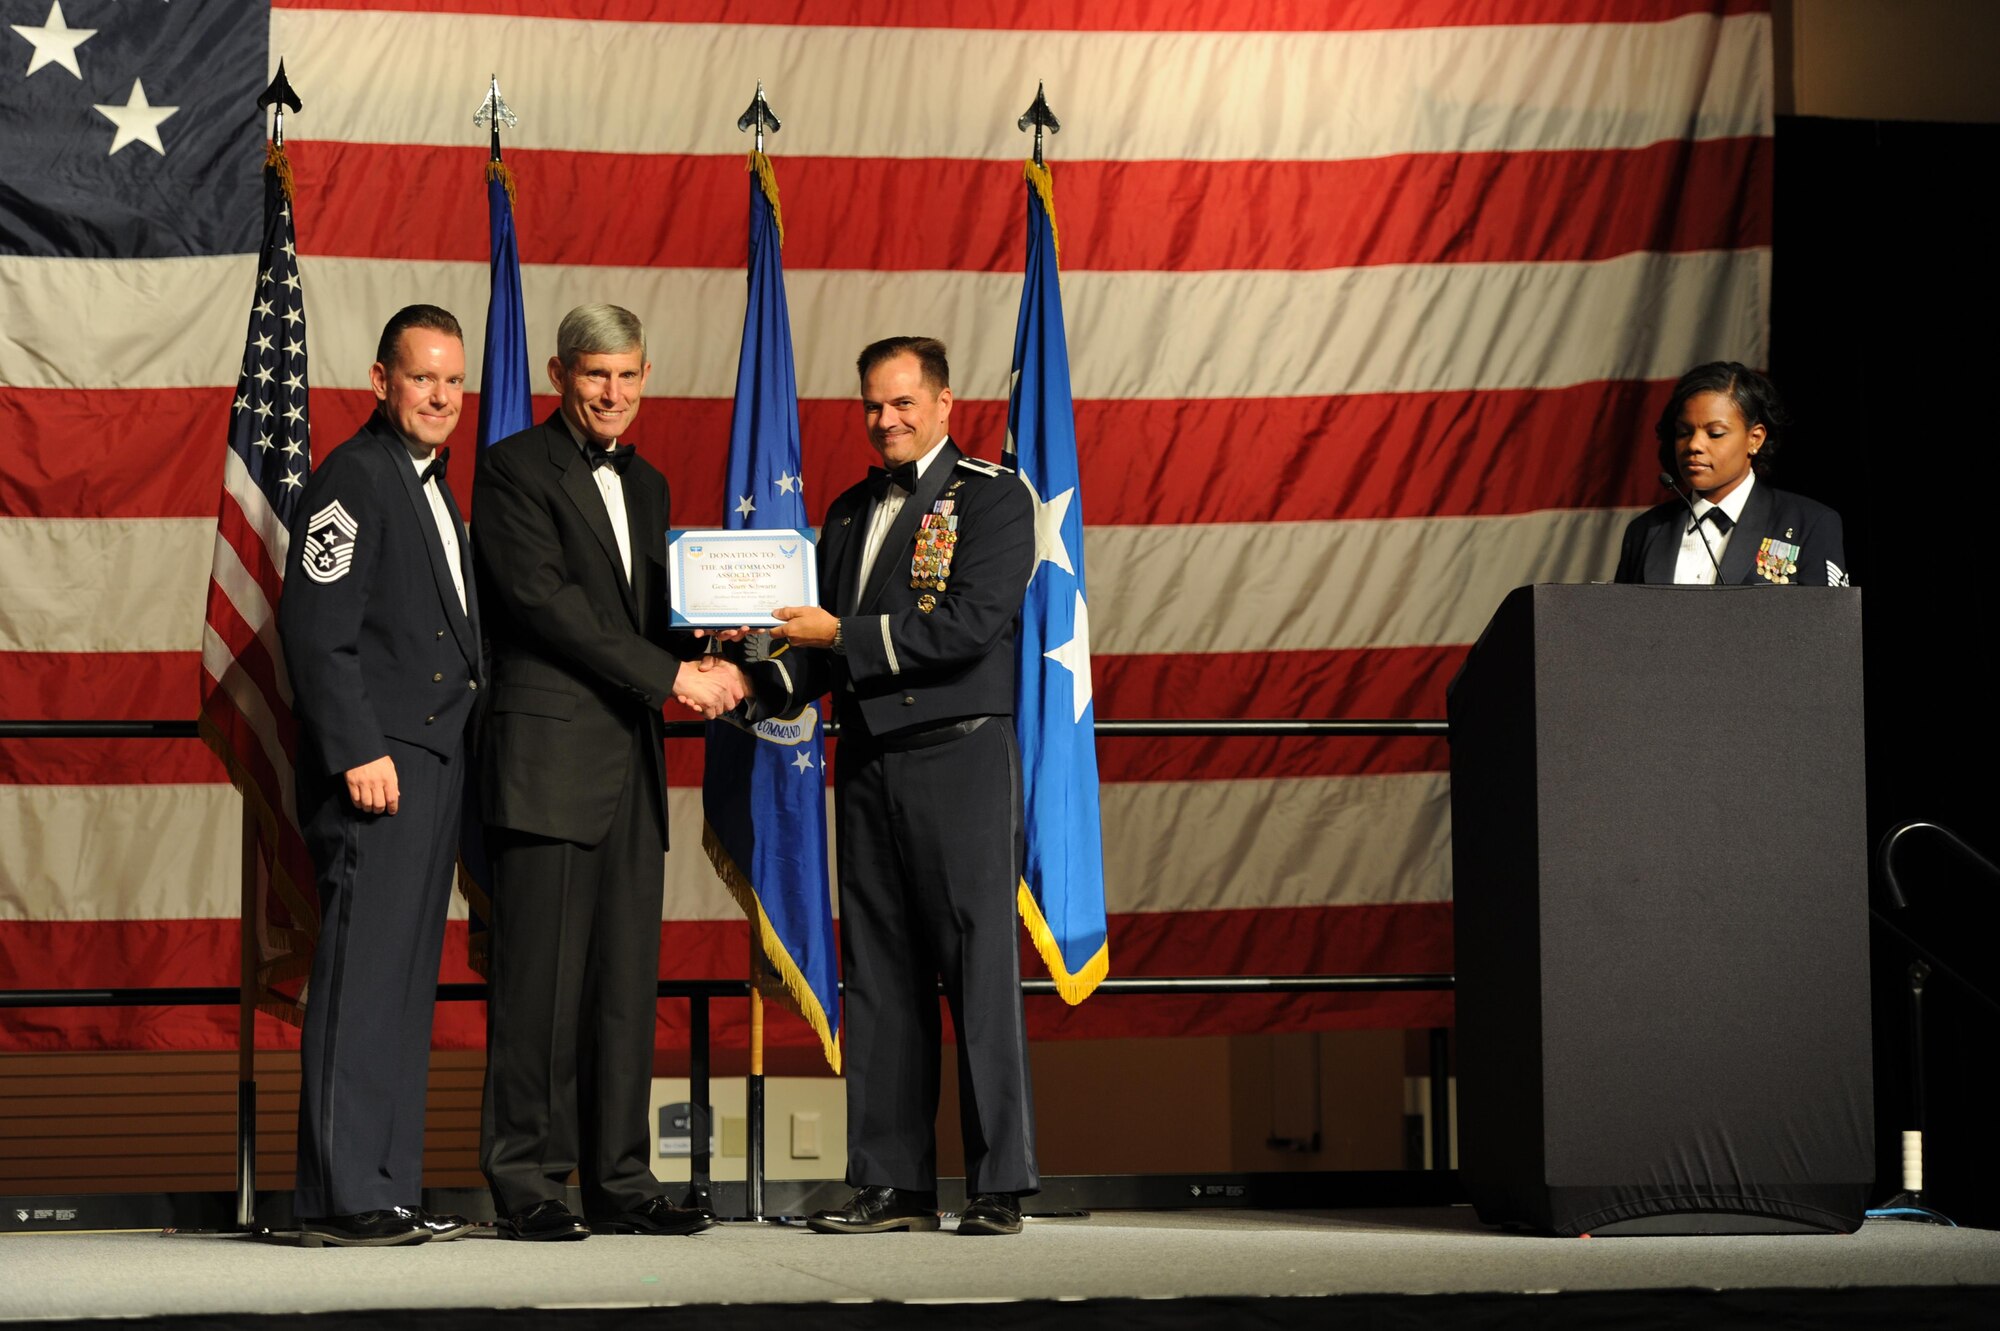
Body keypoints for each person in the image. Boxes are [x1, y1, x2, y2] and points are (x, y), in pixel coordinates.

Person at [752, 336, 1039, 1236]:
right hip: (869, 760)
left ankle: (998, 1184)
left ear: (946, 402)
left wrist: (838, 633)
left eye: (904, 403)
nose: (886, 420)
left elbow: (968, 626)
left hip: (958, 756)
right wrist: (746, 669)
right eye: (873, 405)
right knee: (878, 977)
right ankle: (891, 1183)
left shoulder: (993, 498)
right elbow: (820, 659)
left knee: (977, 972)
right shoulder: (842, 514)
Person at [473, 304, 745, 1241]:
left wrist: (712, 636)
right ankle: (530, 1182)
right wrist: (676, 675)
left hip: (629, 764)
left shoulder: (653, 482)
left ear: (646, 374)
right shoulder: (511, 468)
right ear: (559, 374)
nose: (613, 393)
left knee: (626, 988)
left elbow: (639, 620)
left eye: (628, 375)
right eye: (596, 375)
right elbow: (547, 607)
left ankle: (621, 1180)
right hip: (547, 761)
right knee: (540, 990)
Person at [279, 304, 482, 1247]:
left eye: (452, 379)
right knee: (364, 980)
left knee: (405, 983)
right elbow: (318, 632)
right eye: (421, 377)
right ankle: (341, 1194)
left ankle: (390, 1188)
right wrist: (358, 748)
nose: (439, 395)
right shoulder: (351, 480)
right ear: (380, 381)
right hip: (377, 768)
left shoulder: (432, 484)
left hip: (432, 765)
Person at [1614, 362, 1850, 587]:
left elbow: (1826, 624)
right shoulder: (1645, 530)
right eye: (1683, 432)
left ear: (1755, 438)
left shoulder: (1809, 523)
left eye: (1715, 433)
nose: (1694, 445)